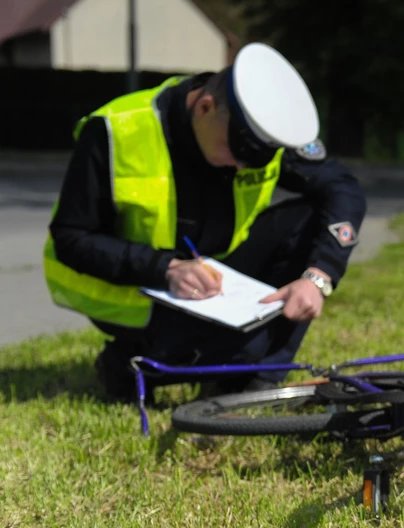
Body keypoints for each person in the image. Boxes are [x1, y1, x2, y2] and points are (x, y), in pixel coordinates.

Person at [43, 43, 366, 400]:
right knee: (246, 348)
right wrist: (165, 268)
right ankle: (133, 362)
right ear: (205, 107)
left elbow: (343, 189)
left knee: (308, 218)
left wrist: (318, 277)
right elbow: (71, 237)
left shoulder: (254, 131)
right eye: (236, 155)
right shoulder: (117, 131)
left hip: (219, 281)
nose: (241, 168)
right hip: (143, 292)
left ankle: (261, 378)